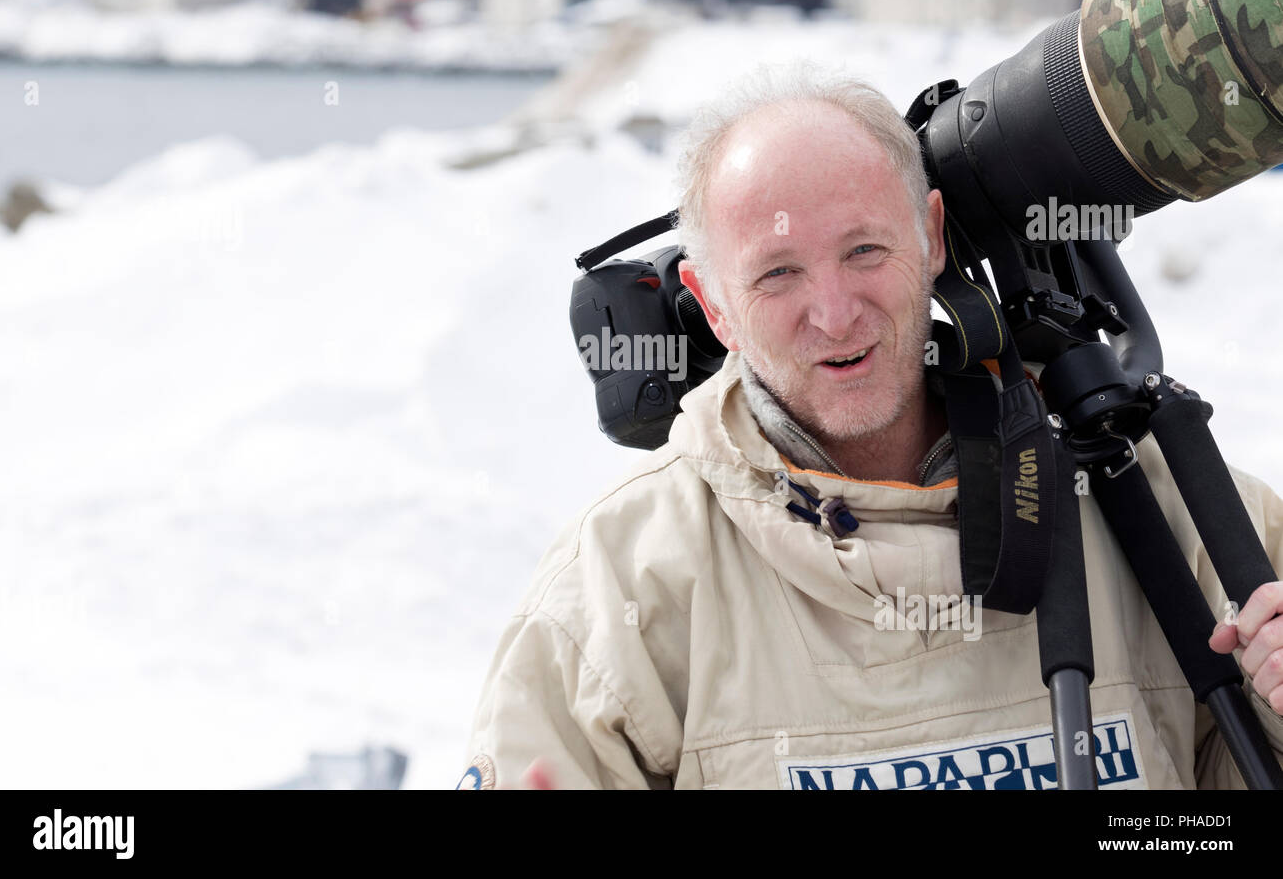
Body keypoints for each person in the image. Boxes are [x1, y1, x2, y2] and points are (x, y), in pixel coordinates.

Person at [458, 63, 1283, 790]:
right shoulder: (623, 586)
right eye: (778, 273)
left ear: (929, 238)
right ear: (714, 308)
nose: (835, 313)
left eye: (864, 251)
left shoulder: (1160, 507)